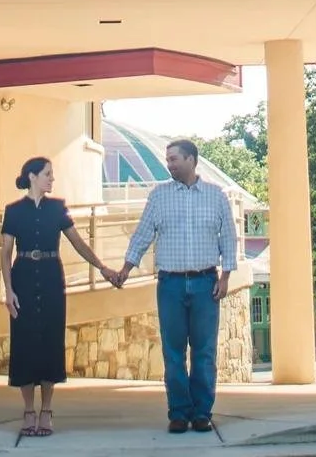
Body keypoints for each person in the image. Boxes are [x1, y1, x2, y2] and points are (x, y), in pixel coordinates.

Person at [113, 137, 238, 434]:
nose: (168, 164)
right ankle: (179, 413)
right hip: (169, 285)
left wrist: (224, 278)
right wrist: (125, 270)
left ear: (191, 160)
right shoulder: (159, 197)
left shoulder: (215, 195)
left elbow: (229, 239)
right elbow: (142, 235)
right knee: (173, 352)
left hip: (206, 284)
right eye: (168, 159)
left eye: (173, 159)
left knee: (204, 351)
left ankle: (202, 413)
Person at [0, 156, 118, 437]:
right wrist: (9, 290)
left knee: (50, 341)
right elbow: (5, 253)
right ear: (32, 176)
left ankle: (47, 409)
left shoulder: (57, 208)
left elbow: (77, 242)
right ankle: (28, 409)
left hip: (52, 278)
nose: (52, 179)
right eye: (47, 174)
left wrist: (101, 267)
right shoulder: (13, 211)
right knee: (25, 341)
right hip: (23, 277)